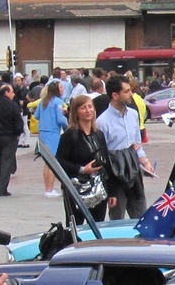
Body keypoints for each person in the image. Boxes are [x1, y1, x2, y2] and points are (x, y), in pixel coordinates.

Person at [99, 75, 151, 219]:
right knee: (117, 217)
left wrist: (145, 162)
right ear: (115, 95)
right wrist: (110, 188)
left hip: (134, 171)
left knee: (140, 215)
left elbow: (137, 144)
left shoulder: (133, 115)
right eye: (127, 91)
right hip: (116, 175)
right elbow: (102, 157)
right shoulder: (102, 122)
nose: (131, 94)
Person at [55, 94, 112, 223]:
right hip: (77, 189)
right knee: (77, 226)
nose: (88, 111)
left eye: (90, 107)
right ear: (76, 112)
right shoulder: (70, 135)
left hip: (98, 189)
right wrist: (82, 169)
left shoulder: (98, 134)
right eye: (83, 108)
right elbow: (59, 162)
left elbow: (106, 161)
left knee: (98, 225)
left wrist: (111, 192)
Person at [36, 80, 67, 197]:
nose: (63, 89)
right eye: (61, 87)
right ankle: (50, 189)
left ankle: (47, 188)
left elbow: (36, 115)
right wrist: (68, 123)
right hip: (53, 133)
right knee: (53, 162)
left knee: (47, 162)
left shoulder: (43, 101)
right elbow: (60, 119)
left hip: (43, 132)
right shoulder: (58, 102)